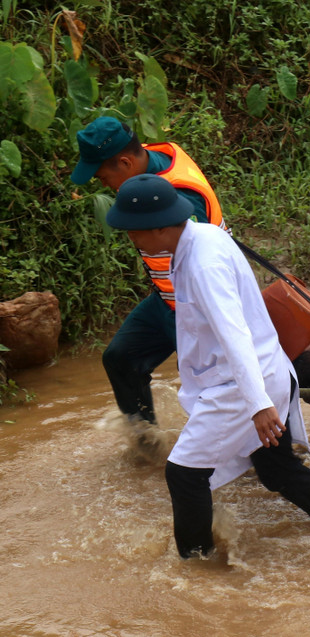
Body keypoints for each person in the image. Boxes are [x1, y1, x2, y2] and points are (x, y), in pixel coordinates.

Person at [105, 174, 310, 558]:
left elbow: (234, 335)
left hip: (241, 387)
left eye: (133, 231)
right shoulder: (203, 236)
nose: (131, 239)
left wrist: (257, 404)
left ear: (158, 227)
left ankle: (197, 567)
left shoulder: (203, 265)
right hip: (259, 374)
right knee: (277, 470)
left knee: (184, 472)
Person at [71, 116, 228, 428]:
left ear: (126, 163)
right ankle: (145, 443)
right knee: (121, 358)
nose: (105, 186)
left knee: (211, 391)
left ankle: (235, 446)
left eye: (103, 178)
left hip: (199, 306)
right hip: (167, 300)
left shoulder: (181, 198)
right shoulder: (148, 161)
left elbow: (203, 263)